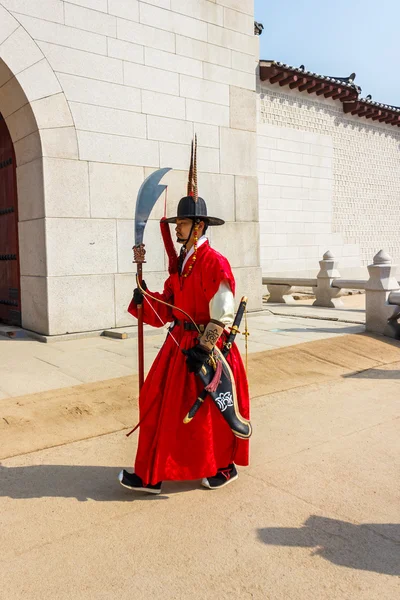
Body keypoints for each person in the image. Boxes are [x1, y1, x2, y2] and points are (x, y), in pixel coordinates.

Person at [119, 139, 250, 493]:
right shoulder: (181, 263)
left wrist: (205, 349)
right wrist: (144, 298)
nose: (176, 228)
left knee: (208, 413)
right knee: (156, 400)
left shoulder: (214, 263)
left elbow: (221, 312)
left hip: (209, 349)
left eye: (182, 223)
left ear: (197, 226)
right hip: (179, 344)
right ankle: (151, 472)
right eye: (176, 223)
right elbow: (170, 308)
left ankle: (223, 466)